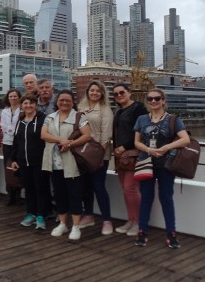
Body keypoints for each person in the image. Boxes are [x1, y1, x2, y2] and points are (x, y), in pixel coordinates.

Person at [133, 88, 190, 248]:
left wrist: (166, 147)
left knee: (166, 198)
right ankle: (142, 231)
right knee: (146, 198)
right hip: (146, 163)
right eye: (150, 99)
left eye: (157, 98)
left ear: (163, 101)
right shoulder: (142, 119)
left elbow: (185, 139)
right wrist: (149, 150)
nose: (153, 101)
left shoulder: (173, 119)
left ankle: (171, 233)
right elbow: (136, 142)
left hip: (166, 165)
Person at [41, 89, 91, 240]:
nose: (64, 102)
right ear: (57, 101)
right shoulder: (50, 117)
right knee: (59, 194)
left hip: (73, 162)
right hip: (55, 163)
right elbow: (43, 134)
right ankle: (63, 223)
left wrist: (70, 144)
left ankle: (75, 226)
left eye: (67, 100)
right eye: (61, 100)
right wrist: (61, 141)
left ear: (72, 102)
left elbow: (87, 135)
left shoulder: (78, 116)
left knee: (75, 194)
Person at [77, 80, 114, 235]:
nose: (94, 93)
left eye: (98, 91)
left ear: (102, 94)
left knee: (98, 186)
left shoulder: (105, 110)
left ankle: (106, 220)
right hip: (82, 152)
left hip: (99, 153)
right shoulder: (81, 107)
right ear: (88, 92)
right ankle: (89, 215)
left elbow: (106, 135)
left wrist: (98, 156)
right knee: (85, 186)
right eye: (92, 90)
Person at [112, 83, 147, 236]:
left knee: (130, 189)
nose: (119, 95)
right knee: (126, 191)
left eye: (122, 92)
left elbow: (142, 131)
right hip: (121, 157)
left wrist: (125, 146)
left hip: (134, 155)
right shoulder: (119, 112)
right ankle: (131, 219)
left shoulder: (138, 108)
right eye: (116, 94)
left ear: (129, 93)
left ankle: (139, 222)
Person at [11, 94, 48, 229]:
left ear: (35, 105)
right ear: (22, 105)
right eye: (25, 103)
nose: (28, 106)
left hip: (39, 161)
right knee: (29, 189)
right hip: (23, 161)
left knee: (41, 189)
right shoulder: (20, 121)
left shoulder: (42, 119)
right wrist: (14, 159)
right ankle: (31, 213)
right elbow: (16, 142)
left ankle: (41, 215)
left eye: (31, 103)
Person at [0, 88, 22, 205]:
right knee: (7, 168)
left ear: (19, 97)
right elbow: (2, 125)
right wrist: (10, 130)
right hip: (7, 142)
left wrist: (12, 130)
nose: (13, 98)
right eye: (10, 96)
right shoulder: (4, 111)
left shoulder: (22, 110)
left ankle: (18, 194)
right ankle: (10, 195)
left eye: (15, 96)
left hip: (18, 143)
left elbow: (21, 125)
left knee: (18, 168)